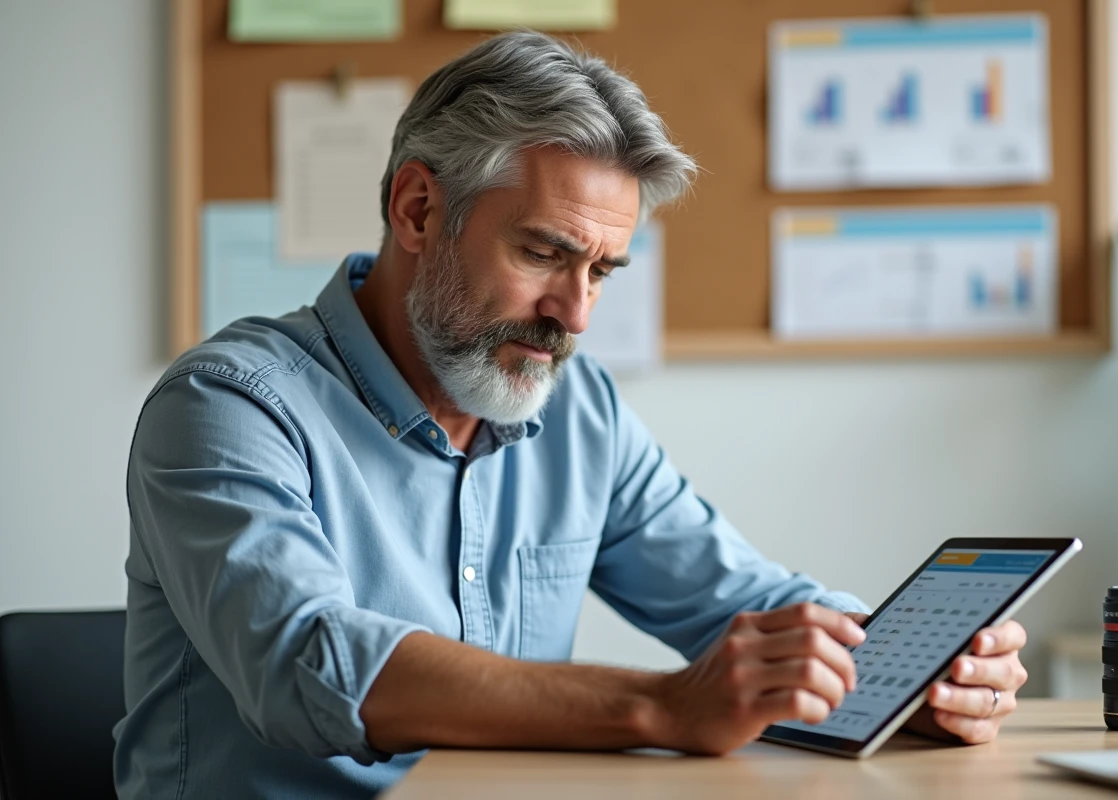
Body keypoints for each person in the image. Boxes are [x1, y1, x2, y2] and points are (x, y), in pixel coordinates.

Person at [114, 30, 1028, 799]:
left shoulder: (577, 408)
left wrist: (917, 666)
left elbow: (742, 603)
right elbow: (308, 663)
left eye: (602, 271)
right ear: (419, 209)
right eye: (545, 253)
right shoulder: (228, 405)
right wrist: (664, 707)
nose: (576, 314)